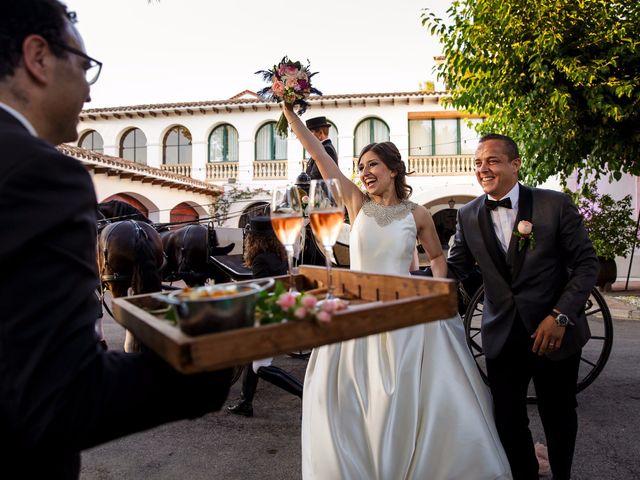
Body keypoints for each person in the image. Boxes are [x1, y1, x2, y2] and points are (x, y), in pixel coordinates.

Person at [0, 2, 232, 478]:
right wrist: (213, 356)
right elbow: (58, 398)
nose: (88, 89)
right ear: (38, 57)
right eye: (85, 67)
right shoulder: (41, 175)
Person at [282, 106, 512, 479]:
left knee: (406, 397)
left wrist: (440, 294)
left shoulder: (417, 213)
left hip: (406, 312)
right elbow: (320, 156)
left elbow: (437, 258)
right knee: (349, 400)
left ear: (392, 169)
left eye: (372, 165)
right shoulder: (357, 204)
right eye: (361, 166)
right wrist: (291, 114)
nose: (365, 172)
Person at [444, 133, 598, 480]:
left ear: (516, 164)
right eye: (478, 163)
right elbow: (455, 268)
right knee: (508, 419)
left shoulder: (553, 205)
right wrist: (407, 275)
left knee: (558, 414)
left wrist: (559, 316)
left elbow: (587, 264)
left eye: (492, 161)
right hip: (502, 335)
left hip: (554, 333)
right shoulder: (468, 215)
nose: (483, 169)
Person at [227, 216, 303, 417]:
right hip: (279, 308)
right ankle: (245, 402)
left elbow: (262, 292)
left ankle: (306, 393)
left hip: (267, 313)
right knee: (254, 357)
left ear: (255, 238)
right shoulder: (279, 255)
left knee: (260, 366)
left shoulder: (260, 259)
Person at [304, 116, 338, 180]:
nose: (307, 137)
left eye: (310, 133)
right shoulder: (322, 148)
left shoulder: (326, 149)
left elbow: (316, 177)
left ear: (320, 133)